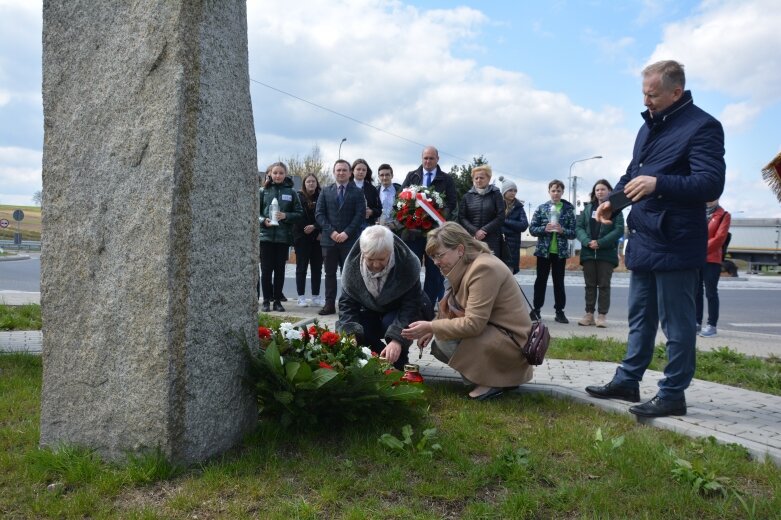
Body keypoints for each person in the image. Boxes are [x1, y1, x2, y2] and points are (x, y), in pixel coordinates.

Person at [585, 60, 726, 418]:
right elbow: (633, 174)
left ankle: (673, 393)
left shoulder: (703, 126)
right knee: (639, 317)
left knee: (677, 324)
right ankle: (628, 379)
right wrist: (611, 205)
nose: (646, 100)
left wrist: (659, 183)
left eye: (653, 94)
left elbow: (710, 184)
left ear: (676, 92)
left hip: (677, 241)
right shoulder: (647, 128)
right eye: (644, 93)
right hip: (645, 237)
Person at [401, 222, 534, 400]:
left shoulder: (483, 268)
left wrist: (432, 327)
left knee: (444, 341)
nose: (435, 262)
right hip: (501, 335)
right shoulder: (468, 264)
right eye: (432, 257)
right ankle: (495, 378)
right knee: (441, 341)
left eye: (439, 255)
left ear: (460, 249)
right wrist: (433, 325)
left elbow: (473, 324)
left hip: (512, 344)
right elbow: (456, 308)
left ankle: (493, 381)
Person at [337, 225, 430, 371]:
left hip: (399, 311)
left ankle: (398, 359)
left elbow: (411, 305)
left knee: (390, 323)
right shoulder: (351, 268)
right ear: (363, 253)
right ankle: (375, 357)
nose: (376, 265)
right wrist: (350, 335)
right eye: (370, 259)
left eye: (381, 259)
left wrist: (397, 340)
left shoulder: (407, 263)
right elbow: (347, 305)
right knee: (360, 326)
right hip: (369, 311)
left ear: (390, 251)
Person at [401, 146, 458, 311]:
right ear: (421, 158)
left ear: (437, 159)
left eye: (431, 158)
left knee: (434, 273)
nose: (428, 161)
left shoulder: (446, 180)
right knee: (411, 270)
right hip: (412, 234)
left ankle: (427, 306)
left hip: (435, 235)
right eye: (425, 158)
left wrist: (434, 217)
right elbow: (401, 199)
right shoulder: (412, 176)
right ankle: (411, 305)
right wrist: (411, 219)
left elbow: (451, 203)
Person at [315, 159, 367, 315]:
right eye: (338, 170)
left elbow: (360, 215)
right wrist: (332, 232)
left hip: (349, 240)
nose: (341, 173)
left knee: (348, 274)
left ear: (350, 173)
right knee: (329, 274)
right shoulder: (325, 191)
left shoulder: (358, 192)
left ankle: (347, 306)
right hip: (329, 241)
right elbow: (319, 214)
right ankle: (329, 305)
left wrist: (346, 233)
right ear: (334, 172)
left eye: (344, 170)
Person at [575, 179, 625, 328]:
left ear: (609, 191)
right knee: (589, 285)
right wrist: (587, 241)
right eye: (597, 190)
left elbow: (619, 230)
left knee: (604, 285)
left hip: (606, 254)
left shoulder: (615, 209)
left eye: (603, 189)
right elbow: (579, 228)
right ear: (594, 193)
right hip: (588, 252)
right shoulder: (588, 209)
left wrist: (601, 242)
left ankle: (602, 316)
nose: (600, 192)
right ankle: (589, 314)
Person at [529, 179, 576, 323]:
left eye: (559, 191)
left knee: (559, 282)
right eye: (553, 190)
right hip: (543, 252)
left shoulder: (568, 210)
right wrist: (544, 229)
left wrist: (563, 230)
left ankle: (559, 311)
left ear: (562, 192)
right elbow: (532, 229)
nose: (556, 193)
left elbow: (573, 232)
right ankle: (536, 310)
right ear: (549, 192)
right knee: (540, 281)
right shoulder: (542, 208)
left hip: (560, 253)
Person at [259, 162, 303, 313]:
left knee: (279, 271)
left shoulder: (291, 192)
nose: (278, 176)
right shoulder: (262, 191)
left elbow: (299, 213)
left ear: (285, 175)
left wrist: (286, 216)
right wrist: (263, 221)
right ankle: (265, 300)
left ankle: (277, 300)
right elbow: (254, 213)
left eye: (281, 173)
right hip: (265, 238)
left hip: (283, 238)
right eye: (275, 173)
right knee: (265, 271)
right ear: (270, 174)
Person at [697, 199, 731, 338]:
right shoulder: (697, 212)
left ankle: (712, 325)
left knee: (711, 293)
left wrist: (699, 249)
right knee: (696, 291)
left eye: (713, 197)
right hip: (696, 259)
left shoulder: (724, 215)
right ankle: (696, 321)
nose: (709, 200)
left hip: (712, 259)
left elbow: (719, 238)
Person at [458, 165, 505, 255]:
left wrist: (484, 230)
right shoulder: (467, 196)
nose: (479, 180)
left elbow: (501, 216)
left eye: (482, 178)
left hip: (492, 240)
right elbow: (462, 217)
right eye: (476, 178)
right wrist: (475, 231)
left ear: (488, 178)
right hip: (472, 238)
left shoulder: (496, 194)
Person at [293, 173, 324, 308]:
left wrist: (317, 228)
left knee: (317, 268)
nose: (311, 184)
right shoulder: (298, 197)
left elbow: (325, 215)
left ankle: (316, 297)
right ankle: (301, 297)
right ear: (304, 184)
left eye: (313, 181)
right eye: (308, 182)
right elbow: (297, 215)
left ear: (317, 183)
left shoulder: (322, 196)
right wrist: (307, 228)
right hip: (302, 237)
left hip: (318, 238)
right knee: (301, 268)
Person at [498, 177, 528, 274]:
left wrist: (505, 221)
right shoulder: (497, 205)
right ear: (504, 191)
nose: (513, 193)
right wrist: (513, 228)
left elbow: (523, 225)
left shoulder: (519, 207)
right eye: (510, 190)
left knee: (509, 278)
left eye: (515, 190)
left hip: (512, 248)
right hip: (497, 245)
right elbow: (494, 224)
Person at [352, 158, 382, 227]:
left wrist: (371, 212)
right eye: (358, 169)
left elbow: (379, 210)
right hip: (348, 227)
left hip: (367, 226)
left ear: (366, 172)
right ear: (353, 171)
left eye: (364, 170)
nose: (361, 172)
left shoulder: (372, 189)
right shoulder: (346, 187)